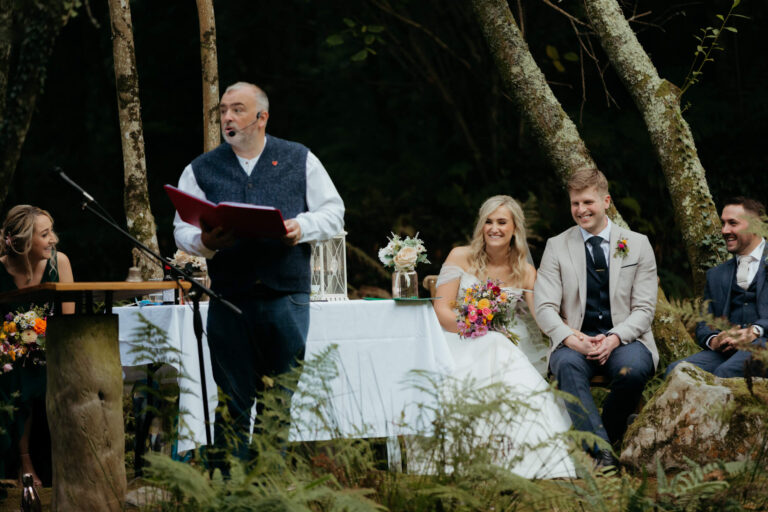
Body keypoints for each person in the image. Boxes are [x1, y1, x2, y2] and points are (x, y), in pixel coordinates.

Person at [173, 82, 344, 465]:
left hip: (286, 296)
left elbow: (334, 212)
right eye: (222, 111)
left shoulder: (299, 158)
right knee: (232, 399)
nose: (227, 118)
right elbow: (181, 229)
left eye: (237, 110)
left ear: (262, 117)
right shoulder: (201, 168)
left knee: (279, 400)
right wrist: (207, 241)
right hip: (230, 298)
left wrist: (300, 228)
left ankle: (268, 489)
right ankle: (230, 494)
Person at [431, 195, 575, 479]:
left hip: (508, 343)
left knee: (498, 344)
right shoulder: (460, 256)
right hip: (457, 339)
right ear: (481, 226)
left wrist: (574, 334)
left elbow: (543, 318)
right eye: (488, 221)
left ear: (514, 229)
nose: (493, 228)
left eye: (501, 222)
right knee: (493, 342)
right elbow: (441, 310)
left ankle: (515, 453)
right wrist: (472, 327)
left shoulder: (525, 270)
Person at [534, 167, 658, 468]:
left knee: (634, 369)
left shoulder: (637, 244)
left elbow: (644, 309)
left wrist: (615, 338)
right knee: (564, 365)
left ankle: (603, 438)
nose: (581, 210)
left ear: (606, 201)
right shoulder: (556, 246)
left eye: (588, 202)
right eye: (575, 203)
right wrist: (570, 339)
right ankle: (602, 455)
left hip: (625, 338)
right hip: (576, 338)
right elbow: (544, 307)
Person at [0, 205, 74, 487]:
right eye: (45, 234)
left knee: (34, 368)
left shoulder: (60, 263)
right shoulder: (1, 268)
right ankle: (24, 460)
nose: (53, 239)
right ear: (22, 241)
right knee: (15, 371)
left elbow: (69, 321)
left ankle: (40, 461)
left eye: (51, 232)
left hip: (52, 349)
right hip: (8, 354)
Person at [667, 197, 768, 378]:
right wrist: (715, 340)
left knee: (724, 373)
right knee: (677, 371)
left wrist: (755, 330)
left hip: (764, 345)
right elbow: (704, 323)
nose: (724, 230)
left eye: (733, 223)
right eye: (723, 223)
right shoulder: (716, 275)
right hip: (726, 353)